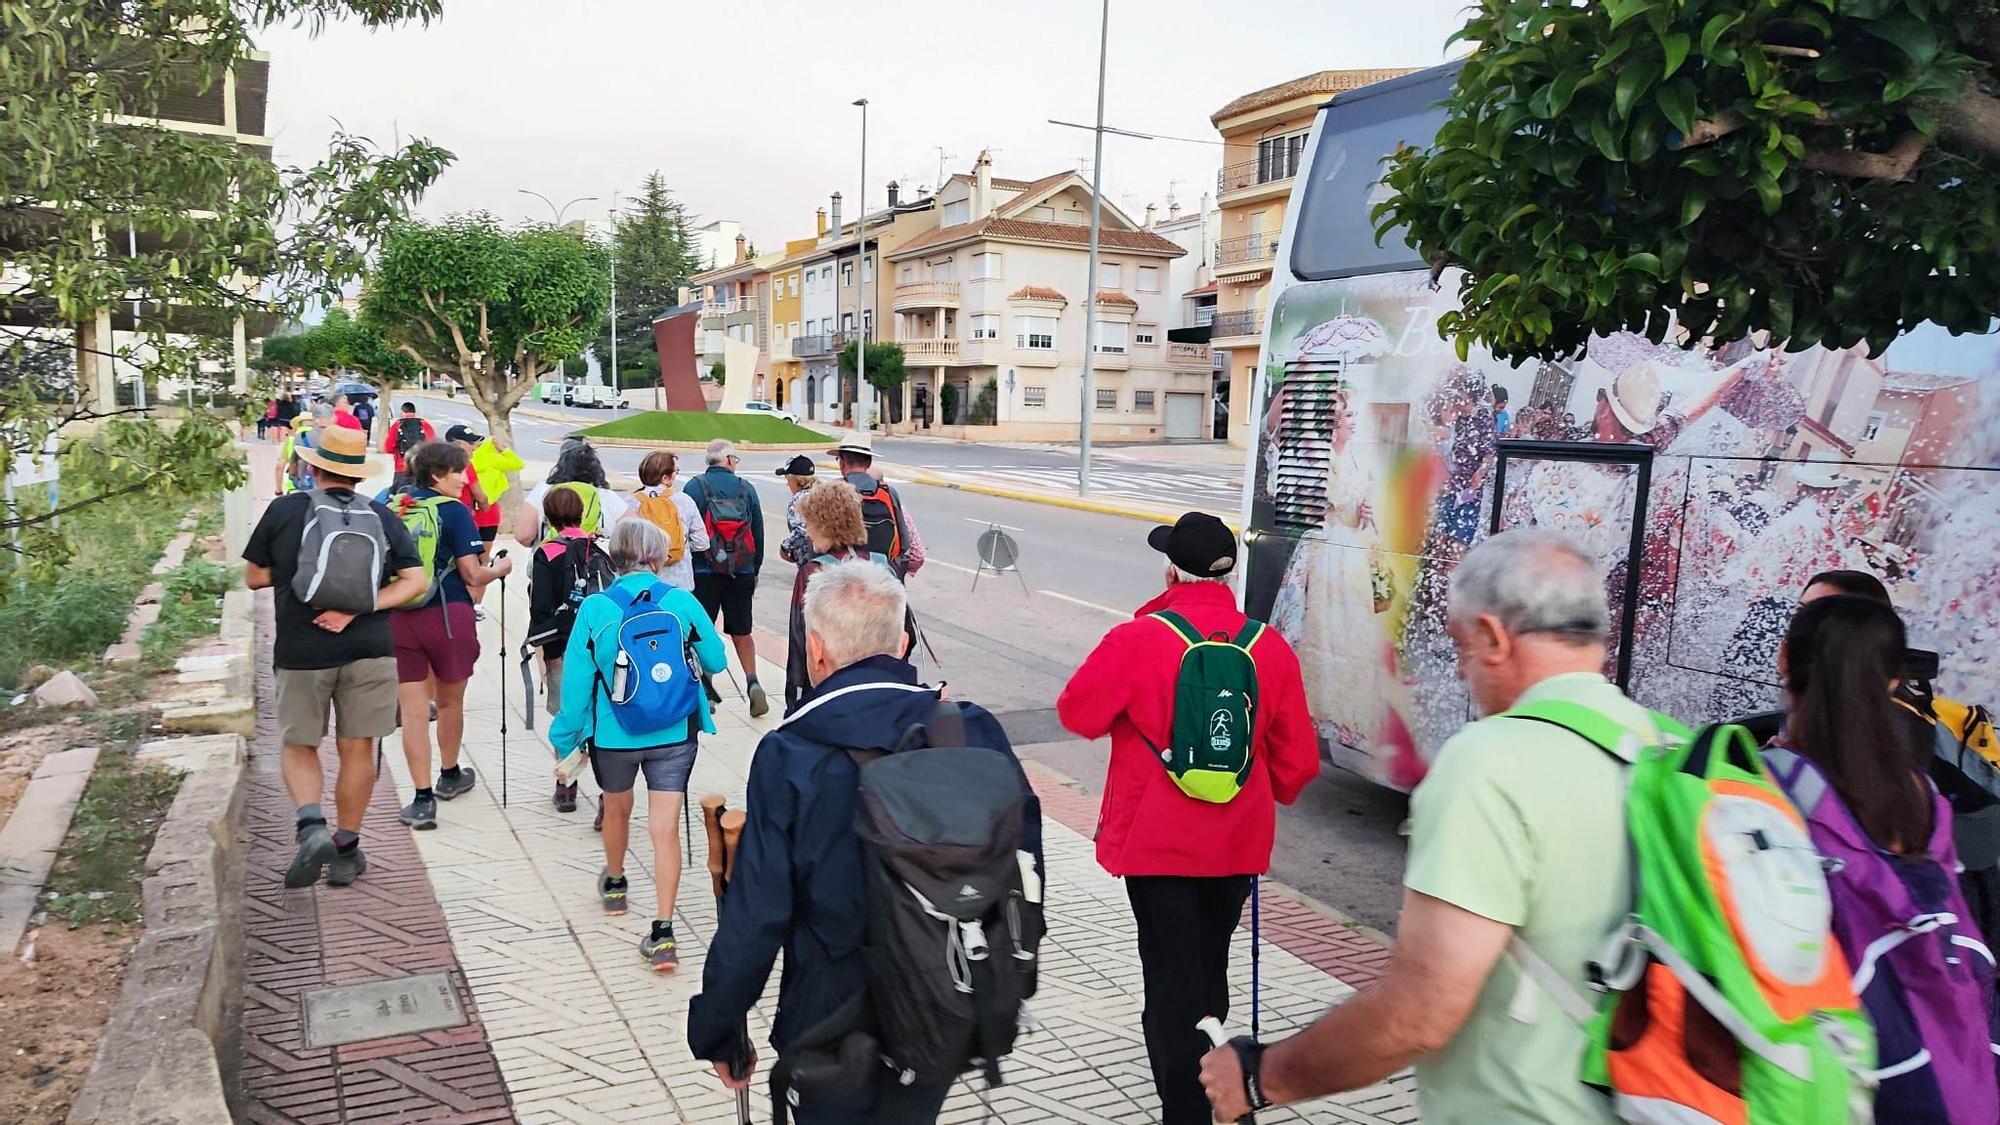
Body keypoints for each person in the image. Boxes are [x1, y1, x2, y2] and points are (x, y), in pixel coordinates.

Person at [1196, 529, 1656, 1123]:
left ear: (1492, 636)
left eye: (1461, 648)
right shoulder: (1667, 747)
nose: (1464, 673)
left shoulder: (1493, 762)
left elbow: (1420, 1012)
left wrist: (1262, 1076)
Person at [688, 560, 1044, 1123]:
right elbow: (1023, 866)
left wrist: (717, 1026)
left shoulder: (790, 753)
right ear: (903, 643)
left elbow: (757, 913)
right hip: (945, 1000)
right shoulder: (971, 730)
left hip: (829, 1017)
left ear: (816, 649)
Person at [1057, 511, 1318, 1125]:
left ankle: (1193, 1112)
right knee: (1209, 973)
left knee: (1170, 986)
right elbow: (1298, 762)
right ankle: (1229, 1098)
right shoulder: (1268, 645)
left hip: (1157, 845)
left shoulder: (1139, 638)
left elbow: (1077, 713)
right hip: (1236, 845)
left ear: (1173, 568)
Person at [1763, 595, 1998, 1123]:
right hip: (1945, 1059)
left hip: (1835, 1066)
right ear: (1894, 680)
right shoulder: (1923, 797)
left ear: (1784, 661)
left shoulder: (1769, 788)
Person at [243, 425, 428, 887]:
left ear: (314, 466)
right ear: (358, 476)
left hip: (302, 648)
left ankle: (311, 827)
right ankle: (347, 849)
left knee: (300, 742)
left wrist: (294, 575)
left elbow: (253, 578)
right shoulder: (382, 517)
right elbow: (414, 583)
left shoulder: (285, 511)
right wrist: (359, 606)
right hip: (369, 648)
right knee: (358, 747)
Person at [549, 519, 726, 969]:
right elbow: (716, 661)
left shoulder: (594, 609)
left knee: (617, 807)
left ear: (614, 557)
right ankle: (664, 933)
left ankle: (615, 883)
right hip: (675, 731)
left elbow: (575, 688)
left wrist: (565, 739)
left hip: (614, 734)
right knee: (663, 828)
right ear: (658, 556)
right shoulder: (681, 602)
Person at [390, 440, 513, 831]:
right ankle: (449, 774)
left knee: (412, 712)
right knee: (449, 702)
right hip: (447, 615)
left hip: (399, 618)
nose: (464, 479)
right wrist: (501, 569)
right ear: (437, 475)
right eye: (458, 471)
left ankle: (422, 799)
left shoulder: (393, 504)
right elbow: (473, 575)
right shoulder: (455, 512)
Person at [528, 485, 607, 814]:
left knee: (567, 718)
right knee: (602, 722)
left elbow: (541, 609)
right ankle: (609, 795)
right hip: (599, 651)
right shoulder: (599, 549)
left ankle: (566, 787)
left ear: (549, 517)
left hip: (561, 650)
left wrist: (545, 655)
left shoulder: (546, 553)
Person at [782, 481, 887, 714]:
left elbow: (801, 641)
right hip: (879, 687)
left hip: (830, 688)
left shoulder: (812, 572)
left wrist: (794, 700)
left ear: (823, 525)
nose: (808, 532)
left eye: (810, 524)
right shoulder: (881, 565)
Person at [684, 439, 768, 717]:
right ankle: (753, 682)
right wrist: (753, 571)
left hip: (704, 573)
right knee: (742, 631)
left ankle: (705, 690)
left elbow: (687, 531)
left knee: (701, 631)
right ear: (729, 460)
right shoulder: (747, 488)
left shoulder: (695, 487)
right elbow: (758, 533)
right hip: (740, 571)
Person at [829, 436, 924, 577]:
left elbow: (818, 542)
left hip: (843, 576)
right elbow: (904, 544)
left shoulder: (832, 492)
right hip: (883, 576)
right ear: (869, 463)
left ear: (842, 463)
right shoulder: (889, 493)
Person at [515, 436, 628, 544]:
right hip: (596, 560)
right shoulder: (608, 496)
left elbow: (524, 536)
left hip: (550, 559)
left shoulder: (544, 490)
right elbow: (634, 534)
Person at [626, 450, 707, 591]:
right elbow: (702, 543)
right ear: (665, 478)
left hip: (643, 582)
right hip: (679, 582)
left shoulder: (630, 503)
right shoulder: (684, 501)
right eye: (675, 471)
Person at [444, 424, 502, 614]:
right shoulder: (465, 465)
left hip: (442, 520)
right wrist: (484, 506)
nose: (473, 447)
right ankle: (472, 606)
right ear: (458, 444)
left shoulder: (436, 461)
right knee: (475, 568)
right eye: (470, 443)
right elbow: (480, 496)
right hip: (466, 522)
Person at [774, 454, 817, 564]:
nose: (787, 484)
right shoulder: (821, 493)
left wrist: (785, 548)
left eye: (788, 479)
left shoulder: (798, 500)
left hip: (809, 561)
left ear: (797, 480)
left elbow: (801, 532)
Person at [383, 401, 436, 487]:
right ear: (414, 412)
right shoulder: (425, 425)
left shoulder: (397, 425)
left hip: (402, 468)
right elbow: (432, 446)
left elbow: (388, 447)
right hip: (422, 468)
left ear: (402, 412)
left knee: (400, 496)